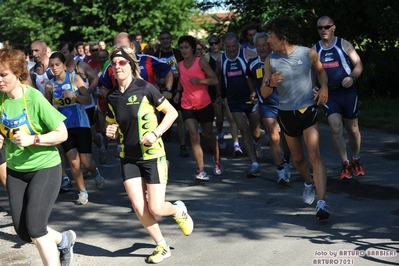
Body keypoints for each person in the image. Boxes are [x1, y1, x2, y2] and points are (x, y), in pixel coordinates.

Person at [105, 44, 194, 263]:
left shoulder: (146, 88)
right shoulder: (113, 97)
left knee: (156, 207)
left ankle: (177, 210)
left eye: (122, 62)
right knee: (138, 205)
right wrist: (110, 130)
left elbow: (172, 113)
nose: (117, 66)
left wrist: (155, 133)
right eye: (114, 63)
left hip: (153, 155)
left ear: (131, 64)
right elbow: (112, 125)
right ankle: (162, 245)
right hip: (128, 157)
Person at [0, 44, 76, 266]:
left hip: (45, 167)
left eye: (3, 75)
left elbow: (62, 133)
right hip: (16, 170)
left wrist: (33, 139)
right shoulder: (1, 99)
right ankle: (64, 240)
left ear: (18, 73)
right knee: (24, 232)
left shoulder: (33, 98)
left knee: (35, 228)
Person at [261, 16, 330, 220]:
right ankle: (308, 182)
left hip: (308, 109)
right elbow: (264, 93)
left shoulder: (308, 53)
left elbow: (322, 73)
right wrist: (271, 83)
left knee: (315, 154)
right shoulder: (270, 60)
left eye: (271, 36)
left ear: (283, 38)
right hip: (286, 113)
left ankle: (322, 202)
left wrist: (324, 86)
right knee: (298, 158)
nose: (268, 41)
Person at [45, 51, 105, 205]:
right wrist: (54, 107)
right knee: (73, 162)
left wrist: (74, 96)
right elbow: (48, 108)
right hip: (64, 128)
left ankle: (95, 172)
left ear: (64, 65)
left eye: (57, 65)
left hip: (81, 124)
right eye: (52, 66)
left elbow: (87, 99)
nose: (55, 68)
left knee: (86, 163)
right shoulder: (50, 85)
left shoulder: (75, 79)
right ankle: (82, 192)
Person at [313, 15, 365, 179]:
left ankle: (355, 159)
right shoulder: (315, 49)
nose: (323, 30)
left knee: (353, 129)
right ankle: (345, 163)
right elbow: (311, 71)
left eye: (326, 27)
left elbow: (359, 64)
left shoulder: (343, 44)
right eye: (320, 28)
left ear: (333, 27)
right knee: (335, 128)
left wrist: (352, 77)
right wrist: (314, 87)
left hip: (348, 93)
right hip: (330, 94)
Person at [174, 35, 222, 181]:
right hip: (187, 105)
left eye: (186, 47)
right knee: (194, 137)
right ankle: (201, 170)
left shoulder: (201, 62)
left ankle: (217, 160)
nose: (184, 50)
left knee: (208, 136)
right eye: (181, 48)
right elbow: (183, 80)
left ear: (193, 48)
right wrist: (177, 92)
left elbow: (214, 80)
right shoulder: (180, 65)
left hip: (204, 104)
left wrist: (200, 80)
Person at [215, 32, 262, 178]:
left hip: (250, 98)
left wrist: (257, 91)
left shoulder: (247, 54)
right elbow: (218, 77)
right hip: (233, 100)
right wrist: (218, 95)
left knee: (255, 131)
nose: (231, 49)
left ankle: (257, 142)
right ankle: (254, 163)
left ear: (238, 45)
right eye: (228, 47)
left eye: (233, 46)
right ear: (224, 46)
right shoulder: (221, 59)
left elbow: (256, 73)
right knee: (244, 130)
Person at [247, 32, 291, 183]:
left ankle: (286, 161)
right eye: (258, 46)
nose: (261, 48)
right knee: (273, 137)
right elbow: (249, 78)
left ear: (269, 45)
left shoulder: (279, 60)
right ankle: (280, 171)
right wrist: (254, 91)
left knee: (287, 136)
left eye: (264, 45)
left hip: (284, 103)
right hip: (266, 105)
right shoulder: (252, 63)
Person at [203, 34, 241, 152]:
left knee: (231, 118)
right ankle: (220, 134)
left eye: (216, 43)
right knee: (219, 119)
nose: (214, 45)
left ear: (220, 44)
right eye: (211, 43)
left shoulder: (226, 56)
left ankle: (236, 144)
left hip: (228, 90)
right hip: (214, 91)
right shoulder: (206, 58)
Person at [155, 30, 189, 157]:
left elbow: (184, 70)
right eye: (163, 39)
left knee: (180, 117)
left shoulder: (178, 54)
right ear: (160, 40)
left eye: (167, 38)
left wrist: (179, 90)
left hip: (177, 88)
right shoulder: (155, 55)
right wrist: (159, 80)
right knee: (161, 119)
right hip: (161, 90)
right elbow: (152, 72)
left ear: (171, 40)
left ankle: (183, 145)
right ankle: (161, 147)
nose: (165, 41)